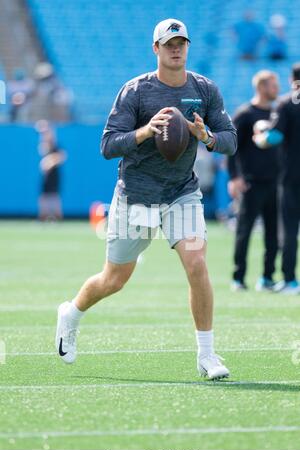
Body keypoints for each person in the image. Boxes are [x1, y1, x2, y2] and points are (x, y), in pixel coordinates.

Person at [55, 19, 237, 380]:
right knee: (115, 279)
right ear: (155, 49)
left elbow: (230, 139)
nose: (176, 48)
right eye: (169, 43)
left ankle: (207, 355)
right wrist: (144, 131)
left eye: (181, 42)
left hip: (181, 191)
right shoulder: (136, 91)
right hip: (137, 194)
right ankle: (71, 313)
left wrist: (208, 136)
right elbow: (107, 145)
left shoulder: (205, 89)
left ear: (187, 47)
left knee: (197, 264)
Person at [228, 71, 280, 291]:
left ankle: (267, 277)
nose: (276, 89)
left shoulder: (279, 114)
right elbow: (231, 148)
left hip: (276, 182)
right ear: (261, 87)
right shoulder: (245, 114)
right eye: (272, 85)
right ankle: (238, 278)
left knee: (274, 234)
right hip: (251, 182)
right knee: (244, 231)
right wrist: (235, 177)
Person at [253, 63, 300, 294]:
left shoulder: (286, 103)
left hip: (292, 176)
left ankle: (290, 280)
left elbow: (272, 138)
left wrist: (259, 137)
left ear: (293, 80)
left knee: (290, 228)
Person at [37, 120, 66, 221]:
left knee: (54, 196)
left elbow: (62, 156)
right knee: (44, 196)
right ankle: (43, 217)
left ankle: (58, 217)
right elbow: (43, 151)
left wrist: (49, 162)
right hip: (46, 175)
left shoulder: (55, 145)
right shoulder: (45, 145)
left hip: (54, 174)